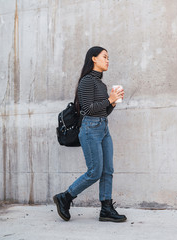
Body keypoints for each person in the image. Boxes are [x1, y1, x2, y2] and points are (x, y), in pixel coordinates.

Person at [53, 46, 126, 222]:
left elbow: (102, 112)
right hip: (90, 129)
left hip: (103, 128)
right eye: (104, 57)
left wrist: (113, 104)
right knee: (95, 171)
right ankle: (66, 197)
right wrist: (109, 99)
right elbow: (87, 109)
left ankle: (106, 209)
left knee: (108, 170)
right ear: (93, 58)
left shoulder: (101, 84)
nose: (107, 60)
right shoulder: (87, 81)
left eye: (108, 58)